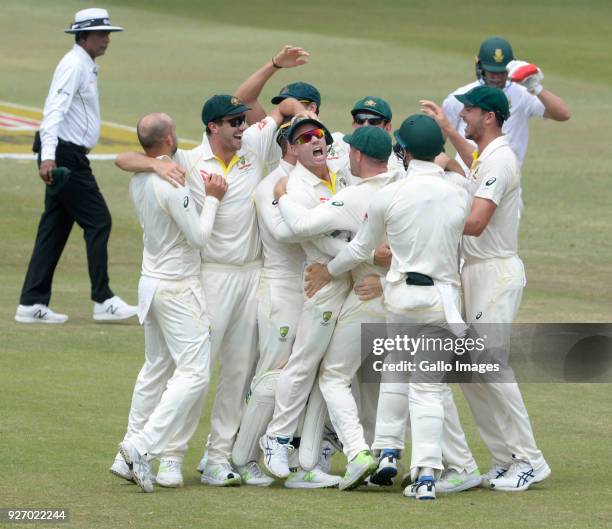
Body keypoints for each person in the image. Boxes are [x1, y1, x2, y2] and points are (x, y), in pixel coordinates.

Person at [115, 88, 303, 486]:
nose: (244, 126)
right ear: (212, 126)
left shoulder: (254, 144)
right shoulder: (186, 159)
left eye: (245, 120)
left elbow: (281, 107)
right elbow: (127, 158)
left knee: (237, 372)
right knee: (195, 372)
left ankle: (218, 456)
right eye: (235, 121)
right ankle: (170, 456)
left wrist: (276, 66)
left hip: (251, 274)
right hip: (210, 276)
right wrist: (153, 167)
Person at [305, 115, 470, 500]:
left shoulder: (388, 195)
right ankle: (422, 471)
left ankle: (391, 455)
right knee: (426, 388)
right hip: (441, 300)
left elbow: (362, 250)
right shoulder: (458, 194)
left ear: (405, 152)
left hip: (399, 299)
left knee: (397, 372)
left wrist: (328, 271)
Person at [424, 86, 551, 492]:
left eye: (471, 111)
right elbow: (471, 163)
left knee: (492, 368)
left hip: (494, 272)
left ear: (491, 117)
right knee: (469, 372)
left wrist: (426, 216)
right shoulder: (486, 156)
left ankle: (531, 460)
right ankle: (503, 458)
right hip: (472, 272)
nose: (464, 114)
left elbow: (476, 222)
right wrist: (447, 130)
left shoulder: (501, 160)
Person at [274, 126, 396, 490]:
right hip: (410, 300)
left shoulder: (357, 196)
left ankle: (359, 453)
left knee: (334, 376)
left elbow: (297, 225)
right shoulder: (405, 187)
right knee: (402, 380)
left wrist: (281, 195)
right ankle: (408, 459)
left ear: (357, 157)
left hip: (368, 296)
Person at [111, 113, 226, 492]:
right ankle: (140, 446)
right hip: (178, 287)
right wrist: (212, 199)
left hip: (152, 283)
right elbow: (199, 238)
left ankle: (123, 457)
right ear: (169, 139)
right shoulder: (171, 183)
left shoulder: (144, 175)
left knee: (157, 368)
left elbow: (126, 159)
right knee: (194, 373)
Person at [15, 8, 137, 324]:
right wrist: (49, 158)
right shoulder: (73, 65)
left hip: (70, 154)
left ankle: (31, 302)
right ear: (83, 36)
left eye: (107, 33)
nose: (107, 39)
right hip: (65, 157)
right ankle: (103, 299)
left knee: (54, 229)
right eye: (101, 33)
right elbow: (53, 112)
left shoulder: (85, 64)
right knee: (99, 221)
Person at [258, 115, 353, 488]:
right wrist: (359, 253)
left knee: (329, 374)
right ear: (292, 149)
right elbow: (311, 238)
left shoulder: (340, 173)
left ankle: (310, 459)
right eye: (304, 138)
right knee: (303, 363)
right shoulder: (294, 187)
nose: (316, 140)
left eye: (319, 136)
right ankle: (277, 439)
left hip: (348, 279)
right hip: (323, 280)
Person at [442, 36, 570, 174]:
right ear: (480, 67)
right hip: (467, 181)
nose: (496, 78)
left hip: (507, 181)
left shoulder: (523, 94)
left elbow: (563, 114)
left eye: (501, 72)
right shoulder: (459, 97)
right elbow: (440, 140)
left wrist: (536, 88)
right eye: (492, 72)